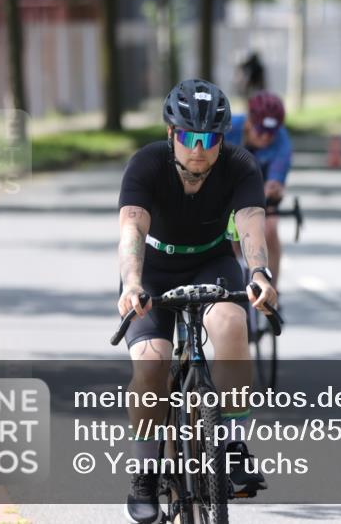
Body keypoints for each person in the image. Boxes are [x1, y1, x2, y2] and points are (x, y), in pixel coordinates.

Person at [117, 79, 279, 523]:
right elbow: (131, 228)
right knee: (151, 363)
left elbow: (250, 224)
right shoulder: (146, 164)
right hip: (152, 271)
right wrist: (132, 283)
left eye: (210, 139)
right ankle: (146, 471)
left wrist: (260, 274)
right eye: (189, 137)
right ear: (171, 134)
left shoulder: (241, 165)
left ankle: (232, 444)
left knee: (230, 326)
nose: (199, 148)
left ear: (222, 139)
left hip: (211, 264)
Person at [225, 91, 293, 291]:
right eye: (260, 130)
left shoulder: (281, 140)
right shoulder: (228, 130)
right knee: (229, 240)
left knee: (270, 229)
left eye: (271, 132)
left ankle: (272, 291)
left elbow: (276, 182)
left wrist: (273, 189)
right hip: (227, 190)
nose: (265, 137)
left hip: (260, 193)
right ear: (248, 121)